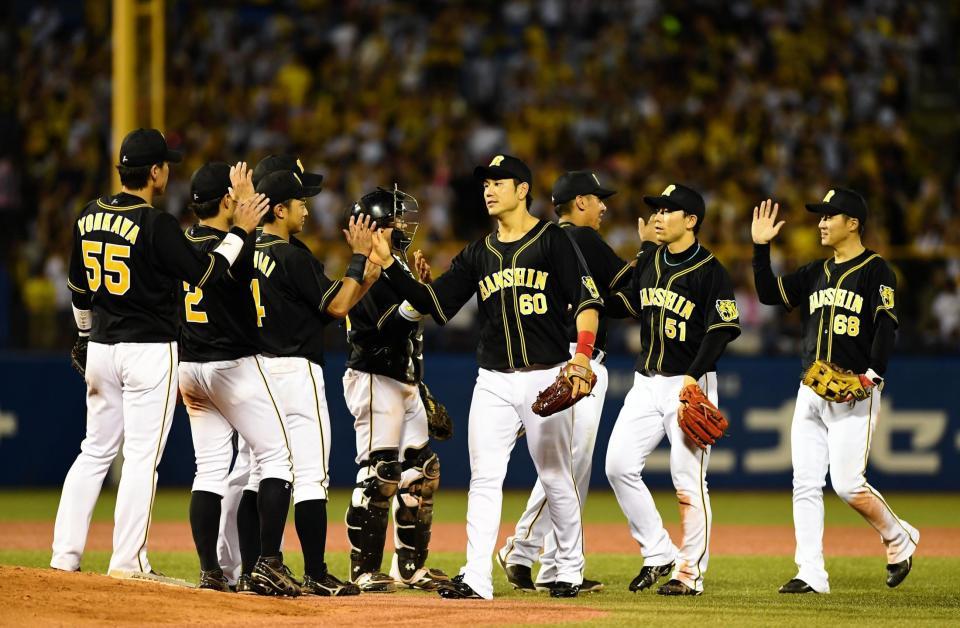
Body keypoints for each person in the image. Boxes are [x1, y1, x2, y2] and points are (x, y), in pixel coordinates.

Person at [368, 154, 602, 600]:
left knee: (555, 475)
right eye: (485, 184)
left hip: (546, 373)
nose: (489, 189)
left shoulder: (553, 240)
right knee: (484, 478)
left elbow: (588, 301)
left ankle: (568, 569)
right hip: (493, 379)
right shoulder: (479, 253)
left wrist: (583, 357)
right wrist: (393, 266)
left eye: (500, 181)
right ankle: (476, 575)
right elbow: (436, 305)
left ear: (523, 190)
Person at [52, 129, 268, 581]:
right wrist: (243, 232)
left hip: (102, 348)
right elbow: (207, 272)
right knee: (140, 458)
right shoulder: (156, 223)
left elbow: (78, 292)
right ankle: (128, 562)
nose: (167, 171)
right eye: (165, 164)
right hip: (147, 350)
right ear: (154, 171)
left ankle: (63, 557)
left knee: (93, 451)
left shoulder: (88, 214)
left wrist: (85, 337)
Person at [751, 190, 919, 593]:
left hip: (855, 392)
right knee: (804, 482)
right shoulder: (814, 272)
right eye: (821, 216)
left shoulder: (877, 270)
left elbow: (885, 326)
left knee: (847, 484)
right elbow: (769, 294)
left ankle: (899, 537)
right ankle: (810, 572)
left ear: (854, 223)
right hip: (811, 389)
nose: (822, 222)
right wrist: (760, 248)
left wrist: (871, 377)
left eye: (831, 215)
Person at [497, 170, 634, 594]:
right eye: (597, 199)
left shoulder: (542, 240)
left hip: (550, 354)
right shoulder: (584, 240)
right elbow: (632, 291)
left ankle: (543, 559)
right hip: (579, 359)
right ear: (579, 203)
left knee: (565, 465)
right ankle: (529, 552)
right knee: (568, 466)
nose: (603, 206)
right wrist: (650, 249)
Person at [605, 183, 741, 596]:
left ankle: (690, 572)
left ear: (692, 220)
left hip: (689, 385)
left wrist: (692, 376)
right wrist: (584, 293)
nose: (658, 216)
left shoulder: (710, 271)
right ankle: (658, 551)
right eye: (657, 209)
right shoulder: (649, 260)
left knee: (688, 481)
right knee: (618, 466)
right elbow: (624, 305)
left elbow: (721, 331)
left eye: (668, 210)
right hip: (645, 383)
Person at [250, 168, 379, 596]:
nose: (308, 208)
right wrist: (359, 259)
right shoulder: (291, 256)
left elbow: (335, 303)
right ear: (280, 208)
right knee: (310, 476)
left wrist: (368, 276)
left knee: (262, 471)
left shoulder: (250, 250)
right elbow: (339, 306)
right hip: (294, 370)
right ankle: (316, 572)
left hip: (255, 371)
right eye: (301, 202)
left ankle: (259, 565)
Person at [177, 161, 299, 595]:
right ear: (227, 200)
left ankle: (211, 571)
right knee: (277, 457)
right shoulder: (232, 242)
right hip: (232, 364)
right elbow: (239, 271)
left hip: (189, 367)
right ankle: (268, 561)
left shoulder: (180, 239)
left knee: (208, 471)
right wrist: (245, 224)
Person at [341, 186, 449, 593]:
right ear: (374, 228)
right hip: (372, 377)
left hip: (403, 381)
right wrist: (414, 301)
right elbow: (380, 332)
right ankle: (363, 568)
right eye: (394, 221)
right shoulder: (365, 270)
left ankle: (409, 566)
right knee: (380, 474)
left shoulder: (393, 267)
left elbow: (413, 329)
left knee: (421, 473)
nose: (402, 227)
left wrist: (420, 386)